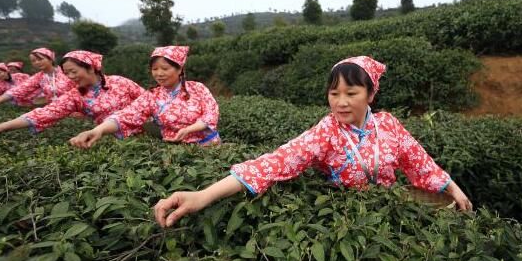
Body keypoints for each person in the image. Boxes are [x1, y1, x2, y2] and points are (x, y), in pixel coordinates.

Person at [154, 56, 473, 227]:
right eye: (334, 94)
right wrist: (204, 195)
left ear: (371, 94)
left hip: (391, 210)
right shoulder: (326, 131)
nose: (341, 102)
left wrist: (453, 189)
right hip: (348, 218)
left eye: (352, 93)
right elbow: (276, 162)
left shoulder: (388, 125)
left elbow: (420, 162)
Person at [0, 51, 145, 139]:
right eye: (67, 74)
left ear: (91, 68)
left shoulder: (120, 82)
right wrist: (0, 126)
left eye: (74, 72)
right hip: (110, 138)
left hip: (144, 135)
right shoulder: (75, 95)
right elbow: (45, 112)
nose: (71, 78)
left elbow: (148, 101)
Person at [69, 46, 220, 148]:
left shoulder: (197, 88)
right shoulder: (151, 96)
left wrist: (190, 129)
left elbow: (211, 113)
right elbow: (126, 116)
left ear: (179, 69)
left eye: (165, 68)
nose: (159, 73)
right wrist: (99, 130)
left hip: (208, 146)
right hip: (177, 150)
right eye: (154, 69)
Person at [0, 48, 73, 111]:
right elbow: (16, 91)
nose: (37, 63)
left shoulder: (66, 71)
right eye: (34, 61)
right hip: (58, 111)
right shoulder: (38, 77)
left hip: (78, 109)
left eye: (40, 59)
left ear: (51, 59)